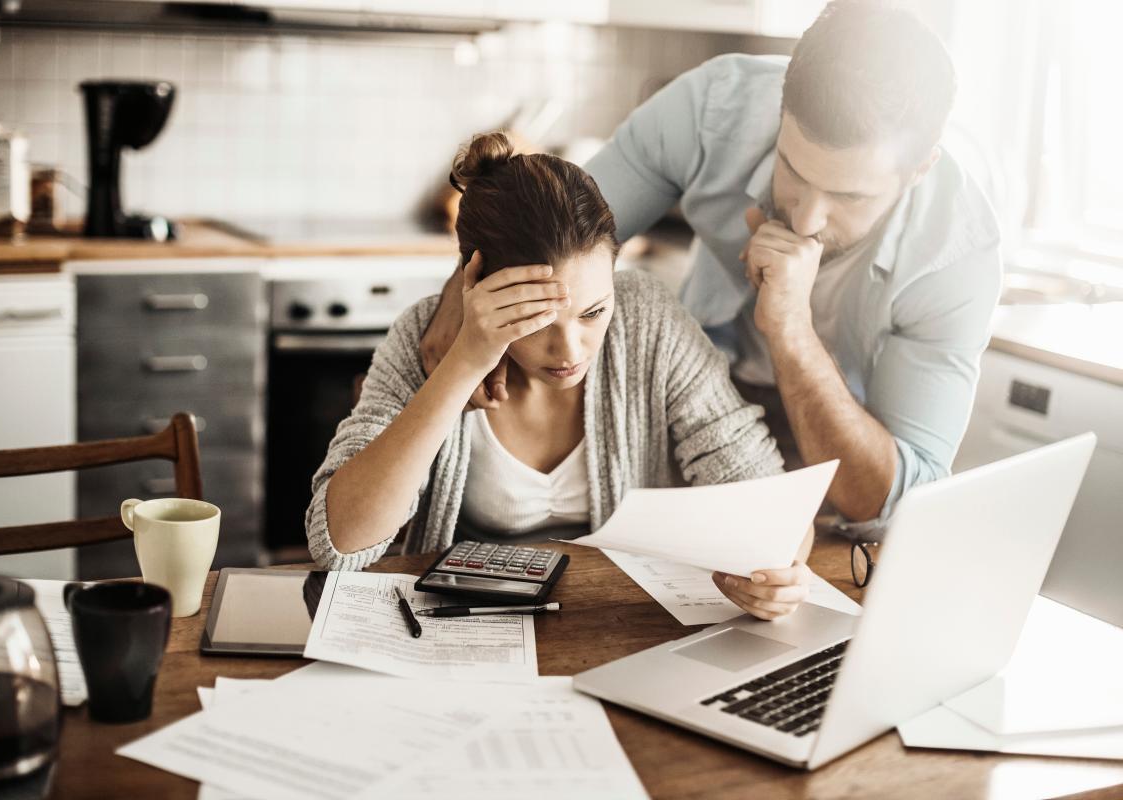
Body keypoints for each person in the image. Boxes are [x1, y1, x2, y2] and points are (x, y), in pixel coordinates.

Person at [420, 1, 1002, 537]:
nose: (805, 219)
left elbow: (894, 504)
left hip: (842, 446)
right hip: (697, 409)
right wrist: (462, 293)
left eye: (849, 196)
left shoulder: (956, 260)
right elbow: (553, 232)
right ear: (781, 105)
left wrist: (792, 332)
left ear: (921, 167)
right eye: (795, 171)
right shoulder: (711, 108)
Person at [307, 132, 813, 620]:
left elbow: (762, 490)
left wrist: (783, 569)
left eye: (593, 312)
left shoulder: (647, 317)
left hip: (613, 622)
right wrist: (462, 365)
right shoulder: (424, 334)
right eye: (539, 322)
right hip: (463, 626)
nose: (570, 351)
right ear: (476, 289)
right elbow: (340, 545)